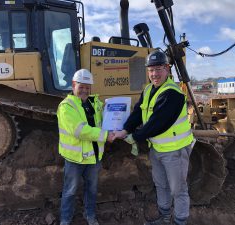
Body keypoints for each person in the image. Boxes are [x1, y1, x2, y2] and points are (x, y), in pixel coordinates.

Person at [113, 50, 194, 225]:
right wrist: (125, 129)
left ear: (167, 69)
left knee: (178, 190)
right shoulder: (149, 89)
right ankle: (164, 218)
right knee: (161, 185)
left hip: (175, 150)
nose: (154, 74)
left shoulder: (173, 93)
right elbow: (137, 114)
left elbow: (158, 123)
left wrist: (134, 136)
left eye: (158, 69)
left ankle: (180, 221)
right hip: (157, 148)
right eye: (151, 70)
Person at [57, 69, 114, 225]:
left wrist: (117, 122)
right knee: (69, 191)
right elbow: (79, 131)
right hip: (75, 159)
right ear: (74, 85)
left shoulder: (95, 104)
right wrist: (105, 135)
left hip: (94, 157)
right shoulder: (66, 106)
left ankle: (89, 215)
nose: (84, 90)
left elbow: (106, 123)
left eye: (87, 87)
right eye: (81, 86)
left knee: (92, 190)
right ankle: (65, 219)